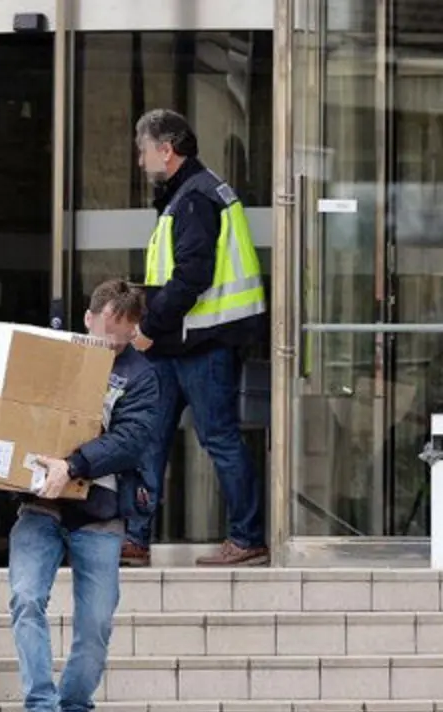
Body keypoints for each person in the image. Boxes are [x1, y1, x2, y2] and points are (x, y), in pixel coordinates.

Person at [9, 280, 159, 712]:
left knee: (95, 625)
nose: (110, 344)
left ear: (134, 331)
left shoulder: (141, 376)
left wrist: (72, 465)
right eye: (104, 333)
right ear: (88, 318)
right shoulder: (53, 357)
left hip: (100, 513)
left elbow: (131, 440)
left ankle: (73, 709)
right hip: (40, 504)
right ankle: (42, 710)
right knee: (25, 598)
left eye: (121, 338)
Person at [129, 108, 268, 567]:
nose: (141, 161)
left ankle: (247, 539)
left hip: (201, 344)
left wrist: (148, 327)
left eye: (144, 151)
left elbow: (191, 277)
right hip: (181, 342)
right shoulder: (188, 193)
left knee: (219, 439)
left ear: (166, 150)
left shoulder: (194, 199)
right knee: (149, 437)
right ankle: (135, 538)